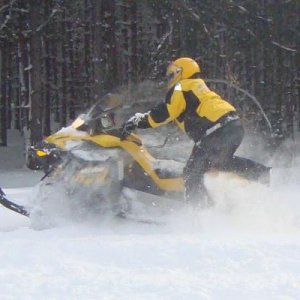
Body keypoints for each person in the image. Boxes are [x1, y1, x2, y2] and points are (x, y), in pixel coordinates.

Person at [121, 57, 266, 205]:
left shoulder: (181, 87)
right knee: (219, 163)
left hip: (216, 131)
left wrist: (138, 121)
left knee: (192, 172)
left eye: (172, 74)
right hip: (233, 125)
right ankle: (264, 174)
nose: (170, 78)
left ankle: (199, 211)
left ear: (181, 72)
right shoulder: (197, 86)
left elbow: (166, 112)